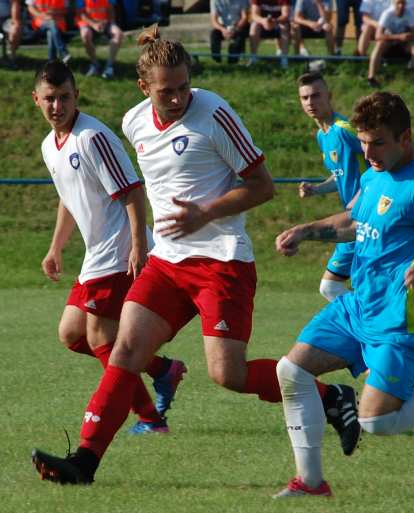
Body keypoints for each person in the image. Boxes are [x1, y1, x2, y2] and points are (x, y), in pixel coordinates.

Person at [31, 27, 359, 485]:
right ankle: (84, 461)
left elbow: (262, 186)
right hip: (167, 263)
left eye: (185, 85)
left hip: (222, 261)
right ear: (144, 88)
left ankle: (331, 397)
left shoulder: (215, 113)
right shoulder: (133, 122)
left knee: (228, 373)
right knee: (124, 348)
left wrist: (204, 213)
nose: (179, 97)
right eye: (167, 90)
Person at [272, 91, 414, 498]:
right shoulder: (373, 173)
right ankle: (311, 482)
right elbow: (355, 217)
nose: (367, 151)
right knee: (291, 371)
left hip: (400, 321)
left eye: (377, 142)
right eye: (363, 141)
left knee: (375, 422)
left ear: (405, 138)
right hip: (356, 307)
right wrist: (306, 230)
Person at [32, 60, 186, 436]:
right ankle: (162, 370)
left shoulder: (92, 137)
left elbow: (132, 192)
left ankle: (150, 419)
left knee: (101, 337)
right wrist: (56, 248)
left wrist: (137, 246)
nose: (58, 106)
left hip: (119, 252)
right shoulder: (50, 145)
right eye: (50, 99)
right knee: (72, 335)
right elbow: (70, 198)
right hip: (95, 255)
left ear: (76, 97)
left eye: (65, 97)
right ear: (36, 100)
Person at [295, 72, 366, 303]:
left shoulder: (345, 129)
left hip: (368, 217)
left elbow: (382, 163)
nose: (310, 102)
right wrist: (317, 189)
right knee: (333, 286)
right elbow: (340, 176)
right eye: (305, 98)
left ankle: (375, 332)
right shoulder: (322, 135)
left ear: (329, 96)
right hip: (352, 220)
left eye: (316, 96)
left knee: (334, 286)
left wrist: (364, 194)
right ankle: (375, 332)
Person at [367, 0, 414, 87]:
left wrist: (407, 36)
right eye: (398, 3)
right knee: (379, 45)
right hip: (389, 43)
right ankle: (371, 77)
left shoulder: (410, 13)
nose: (401, 6)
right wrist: (398, 37)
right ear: (393, 4)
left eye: (403, 3)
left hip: (404, 44)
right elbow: (378, 35)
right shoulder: (387, 14)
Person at [76, 0, 123, 78]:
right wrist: (94, 24)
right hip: (87, 23)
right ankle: (94, 64)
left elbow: (111, 10)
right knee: (85, 35)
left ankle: (109, 66)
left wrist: (107, 22)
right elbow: (81, 14)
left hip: (104, 22)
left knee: (118, 34)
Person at [248, 0, 290, 67]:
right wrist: (263, 21)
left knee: (284, 27)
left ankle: (284, 59)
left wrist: (275, 21)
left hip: (278, 23)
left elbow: (285, 15)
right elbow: (254, 15)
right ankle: (253, 58)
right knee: (254, 26)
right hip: (262, 23)